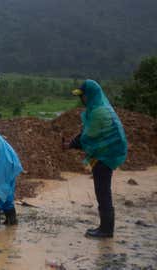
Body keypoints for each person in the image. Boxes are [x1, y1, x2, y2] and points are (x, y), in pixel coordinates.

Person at [63, 79, 127, 238]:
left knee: (103, 191)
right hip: (105, 154)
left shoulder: (99, 112)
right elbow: (87, 133)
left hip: (105, 156)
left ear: (90, 95)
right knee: (103, 190)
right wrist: (72, 143)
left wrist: (71, 145)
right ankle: (105, 227)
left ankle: (106, 230)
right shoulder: (99, 109)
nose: (82, 99)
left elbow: (87, 137)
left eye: (83, 95)